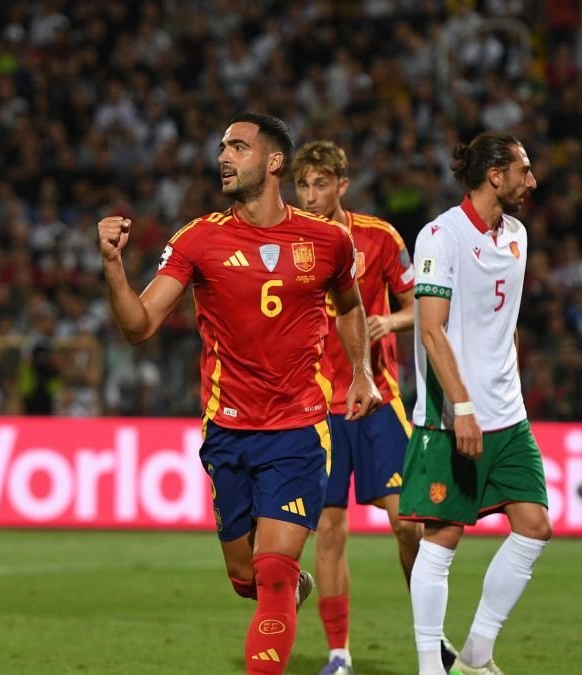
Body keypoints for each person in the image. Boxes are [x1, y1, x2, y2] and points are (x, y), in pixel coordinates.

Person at [98, 113, 382, 675]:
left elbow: (350, 306)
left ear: (274, 162)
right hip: (227, 431)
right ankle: (287, 586)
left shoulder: (328, 241)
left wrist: (363, 371)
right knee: (247, 579)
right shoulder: (199, 240)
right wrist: (112, 266)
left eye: (238, 146)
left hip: (299, 430)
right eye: (222, 146)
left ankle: (284, 591)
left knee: (272, 571)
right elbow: (139, 326)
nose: (224, 156)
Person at [294, 141, 455, 675]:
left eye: (322, 184)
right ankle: (339, 654)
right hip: (318, 406)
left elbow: (419, 308)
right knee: (331, 530)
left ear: (342, 185)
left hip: (378, 399)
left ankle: (431, 642)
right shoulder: (290, 242)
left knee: (408, 524)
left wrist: (391, 322)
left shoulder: (380, 238)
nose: (311, 196)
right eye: (303, 185)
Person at [401, 130, 549, 675]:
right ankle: (429, 667)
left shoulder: (517, 236)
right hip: (450, 418)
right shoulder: (440, 237)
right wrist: (462, 406)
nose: (530, 181)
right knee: (442, 537)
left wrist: (504, 387)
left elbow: (504, 323)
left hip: (508, 415)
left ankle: (477, 656)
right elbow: (432, 331)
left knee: (534, 525)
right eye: (523, 171)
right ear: (495, 176)